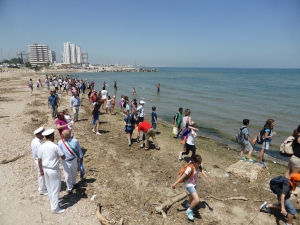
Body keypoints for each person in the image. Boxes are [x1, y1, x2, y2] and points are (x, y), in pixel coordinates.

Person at [172, 154, 211, 221]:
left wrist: (207, 177)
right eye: (198, 163)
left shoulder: (198, 165)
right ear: (193, 161)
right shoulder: (190, 168)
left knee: (192, 197)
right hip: (189, 184)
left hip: (194, 183)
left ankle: (188, 205)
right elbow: (182, 177)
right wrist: (174, 184)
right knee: (197, 200)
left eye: (200, 163)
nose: (199, 164)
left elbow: (201, 170)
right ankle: (189, 211)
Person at [38, 129, 65, 214]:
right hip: (53, 169)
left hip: (45, 169)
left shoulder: (41, 146)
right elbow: (63, 157)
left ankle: (53, 203)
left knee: (49, 188)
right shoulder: (55, 146)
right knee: (55, 189)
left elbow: (39, 160)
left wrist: (41, 170)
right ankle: (55, 208)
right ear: (52, 136)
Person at [58, 130, 84, 194]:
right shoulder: (60, 142)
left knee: (74, 173)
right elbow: (58, 151)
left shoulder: (75, 141)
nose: (61, 135)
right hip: (65, 161)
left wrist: (81, 158)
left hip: (74, 160)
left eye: (63, 134)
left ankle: (74, 182)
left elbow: (79, 150)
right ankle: (69, 187)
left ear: (68, 135)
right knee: (67, 175)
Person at [31, 126, 47, 195]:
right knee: (41, 174)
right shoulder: (38, 143)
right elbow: (40, 155)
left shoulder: (35, 140)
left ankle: (43, 187)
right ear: (40, 134)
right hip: (39, 161)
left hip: (37, 160)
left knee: (41, 174)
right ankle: (42, 189)